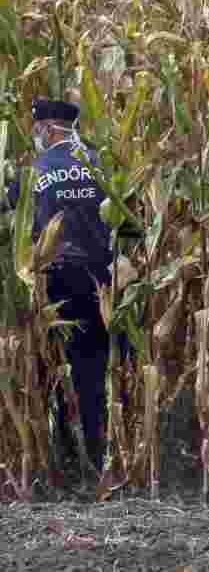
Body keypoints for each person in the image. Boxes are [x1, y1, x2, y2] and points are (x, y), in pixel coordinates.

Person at [5, 99, 113, 472]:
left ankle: (64, 451)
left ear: (48, 129)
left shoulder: (34, 172)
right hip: (101, 280)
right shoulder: (100, 163)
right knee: (94, 367)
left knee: (50, 364)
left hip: (54, 282)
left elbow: (14, 218)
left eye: (38, 129)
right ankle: (101, 453)